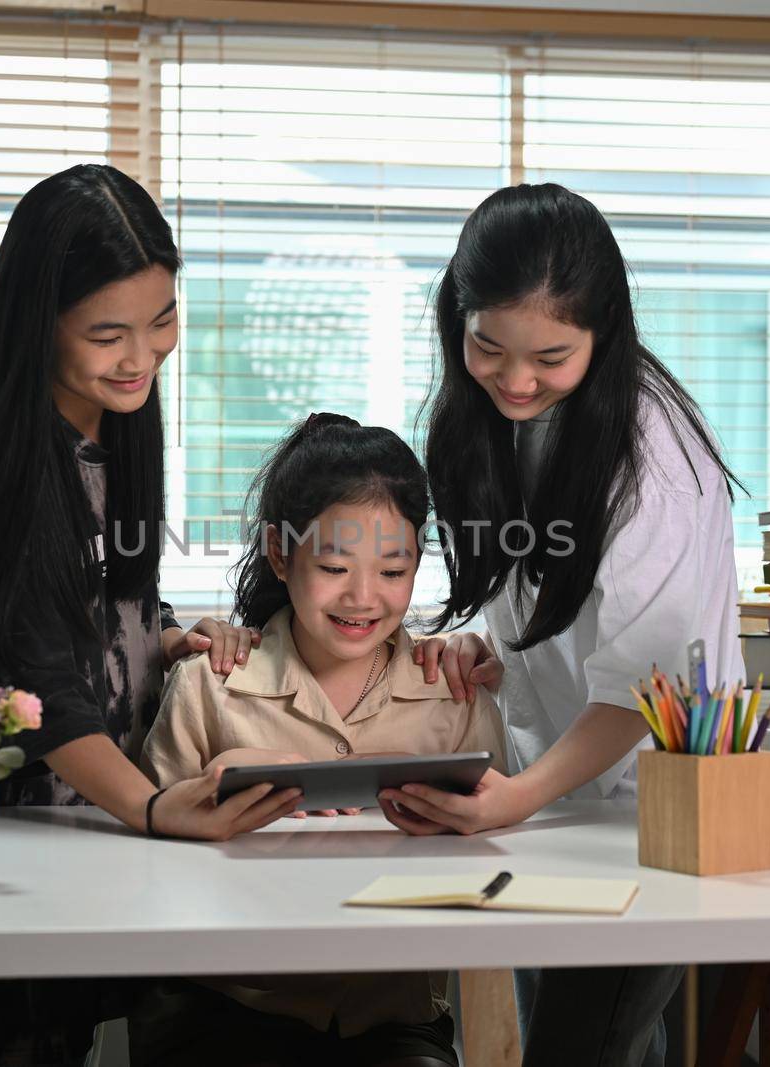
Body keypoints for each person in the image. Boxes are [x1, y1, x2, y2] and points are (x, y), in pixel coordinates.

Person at [0, 164, 301, 1067]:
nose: (142, 355)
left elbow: (99, 602)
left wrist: (167, 635)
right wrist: (159, 808)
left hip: (69, 846)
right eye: (108, 333)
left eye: (162, 319)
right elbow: (37, 687)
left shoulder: (108, 426)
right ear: (39, 322)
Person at [379, 183, 745, 1067]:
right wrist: (494, 649)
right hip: (560, 789)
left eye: (549, 355)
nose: (514, 378)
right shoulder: (503, 418)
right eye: (487, 346)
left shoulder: (653, 452)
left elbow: (643, 686)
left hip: (654, 799)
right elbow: (550, 595)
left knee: (582, 1043)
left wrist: (518, 795)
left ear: (603, 334)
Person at [132, 413, 506, 1067]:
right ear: (281, 554)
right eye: (334, 565)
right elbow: (144, 864)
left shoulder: (453, 693)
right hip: (228, 1007)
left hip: (391, 1019)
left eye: (393, 571)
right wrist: (218, 786)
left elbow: (498, 868)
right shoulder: (210, 683)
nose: (363, 597)